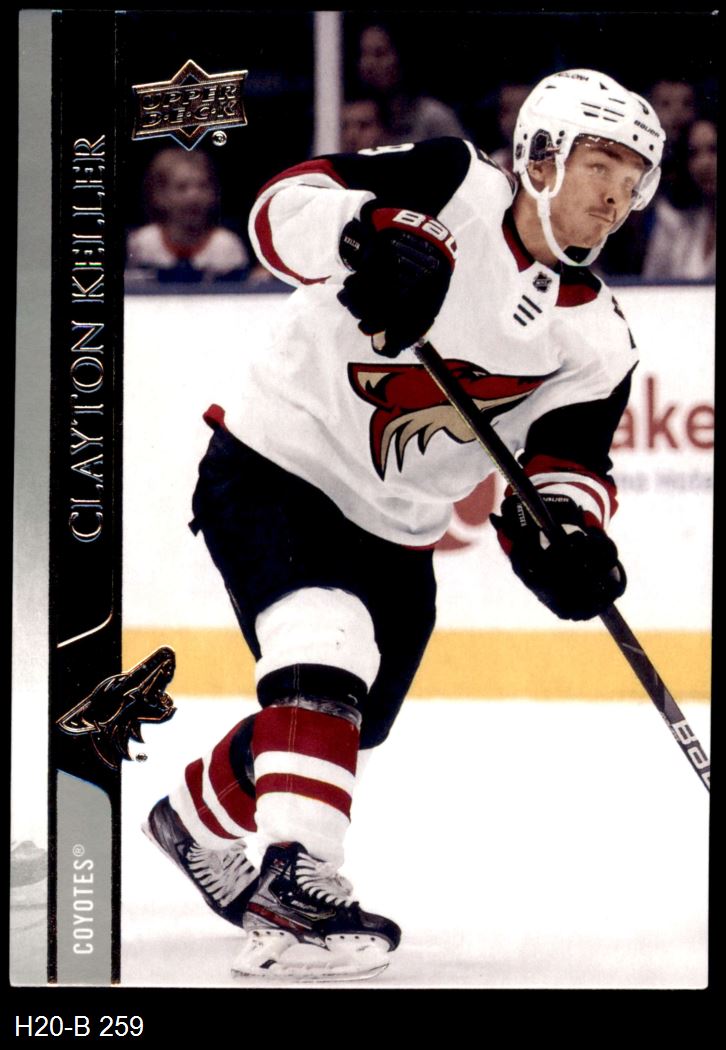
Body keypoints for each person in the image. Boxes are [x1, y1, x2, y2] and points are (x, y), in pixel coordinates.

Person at [143, 68, 665, 980]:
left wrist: (571, 539)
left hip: (398, 530)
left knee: (349, 720)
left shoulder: (599, 341)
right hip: (277, 463)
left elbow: (564, 468)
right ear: (541, 156)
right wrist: (362, 236)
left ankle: (190, 819)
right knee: (326, 639)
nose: (616, 196)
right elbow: (279, 206)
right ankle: (298, 884)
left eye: (634, 178)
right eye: (601, 165)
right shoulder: (451, 181)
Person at [126, 148, 249, 283]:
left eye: (203, 186)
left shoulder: (226, 245)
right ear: (159, 195)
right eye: (182, 187)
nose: (193, 197)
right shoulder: (143, 242)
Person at [355, 22, 466, 144]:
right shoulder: (359, 119)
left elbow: (465, 154)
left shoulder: (432, 117)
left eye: (379, 54)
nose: (368, 64)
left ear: (401, 57)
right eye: (363, 54)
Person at [642, 117, 716, 281]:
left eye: (713, 150)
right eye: (693, 154)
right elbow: (651, 285)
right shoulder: (671, 218)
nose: (704, 163)